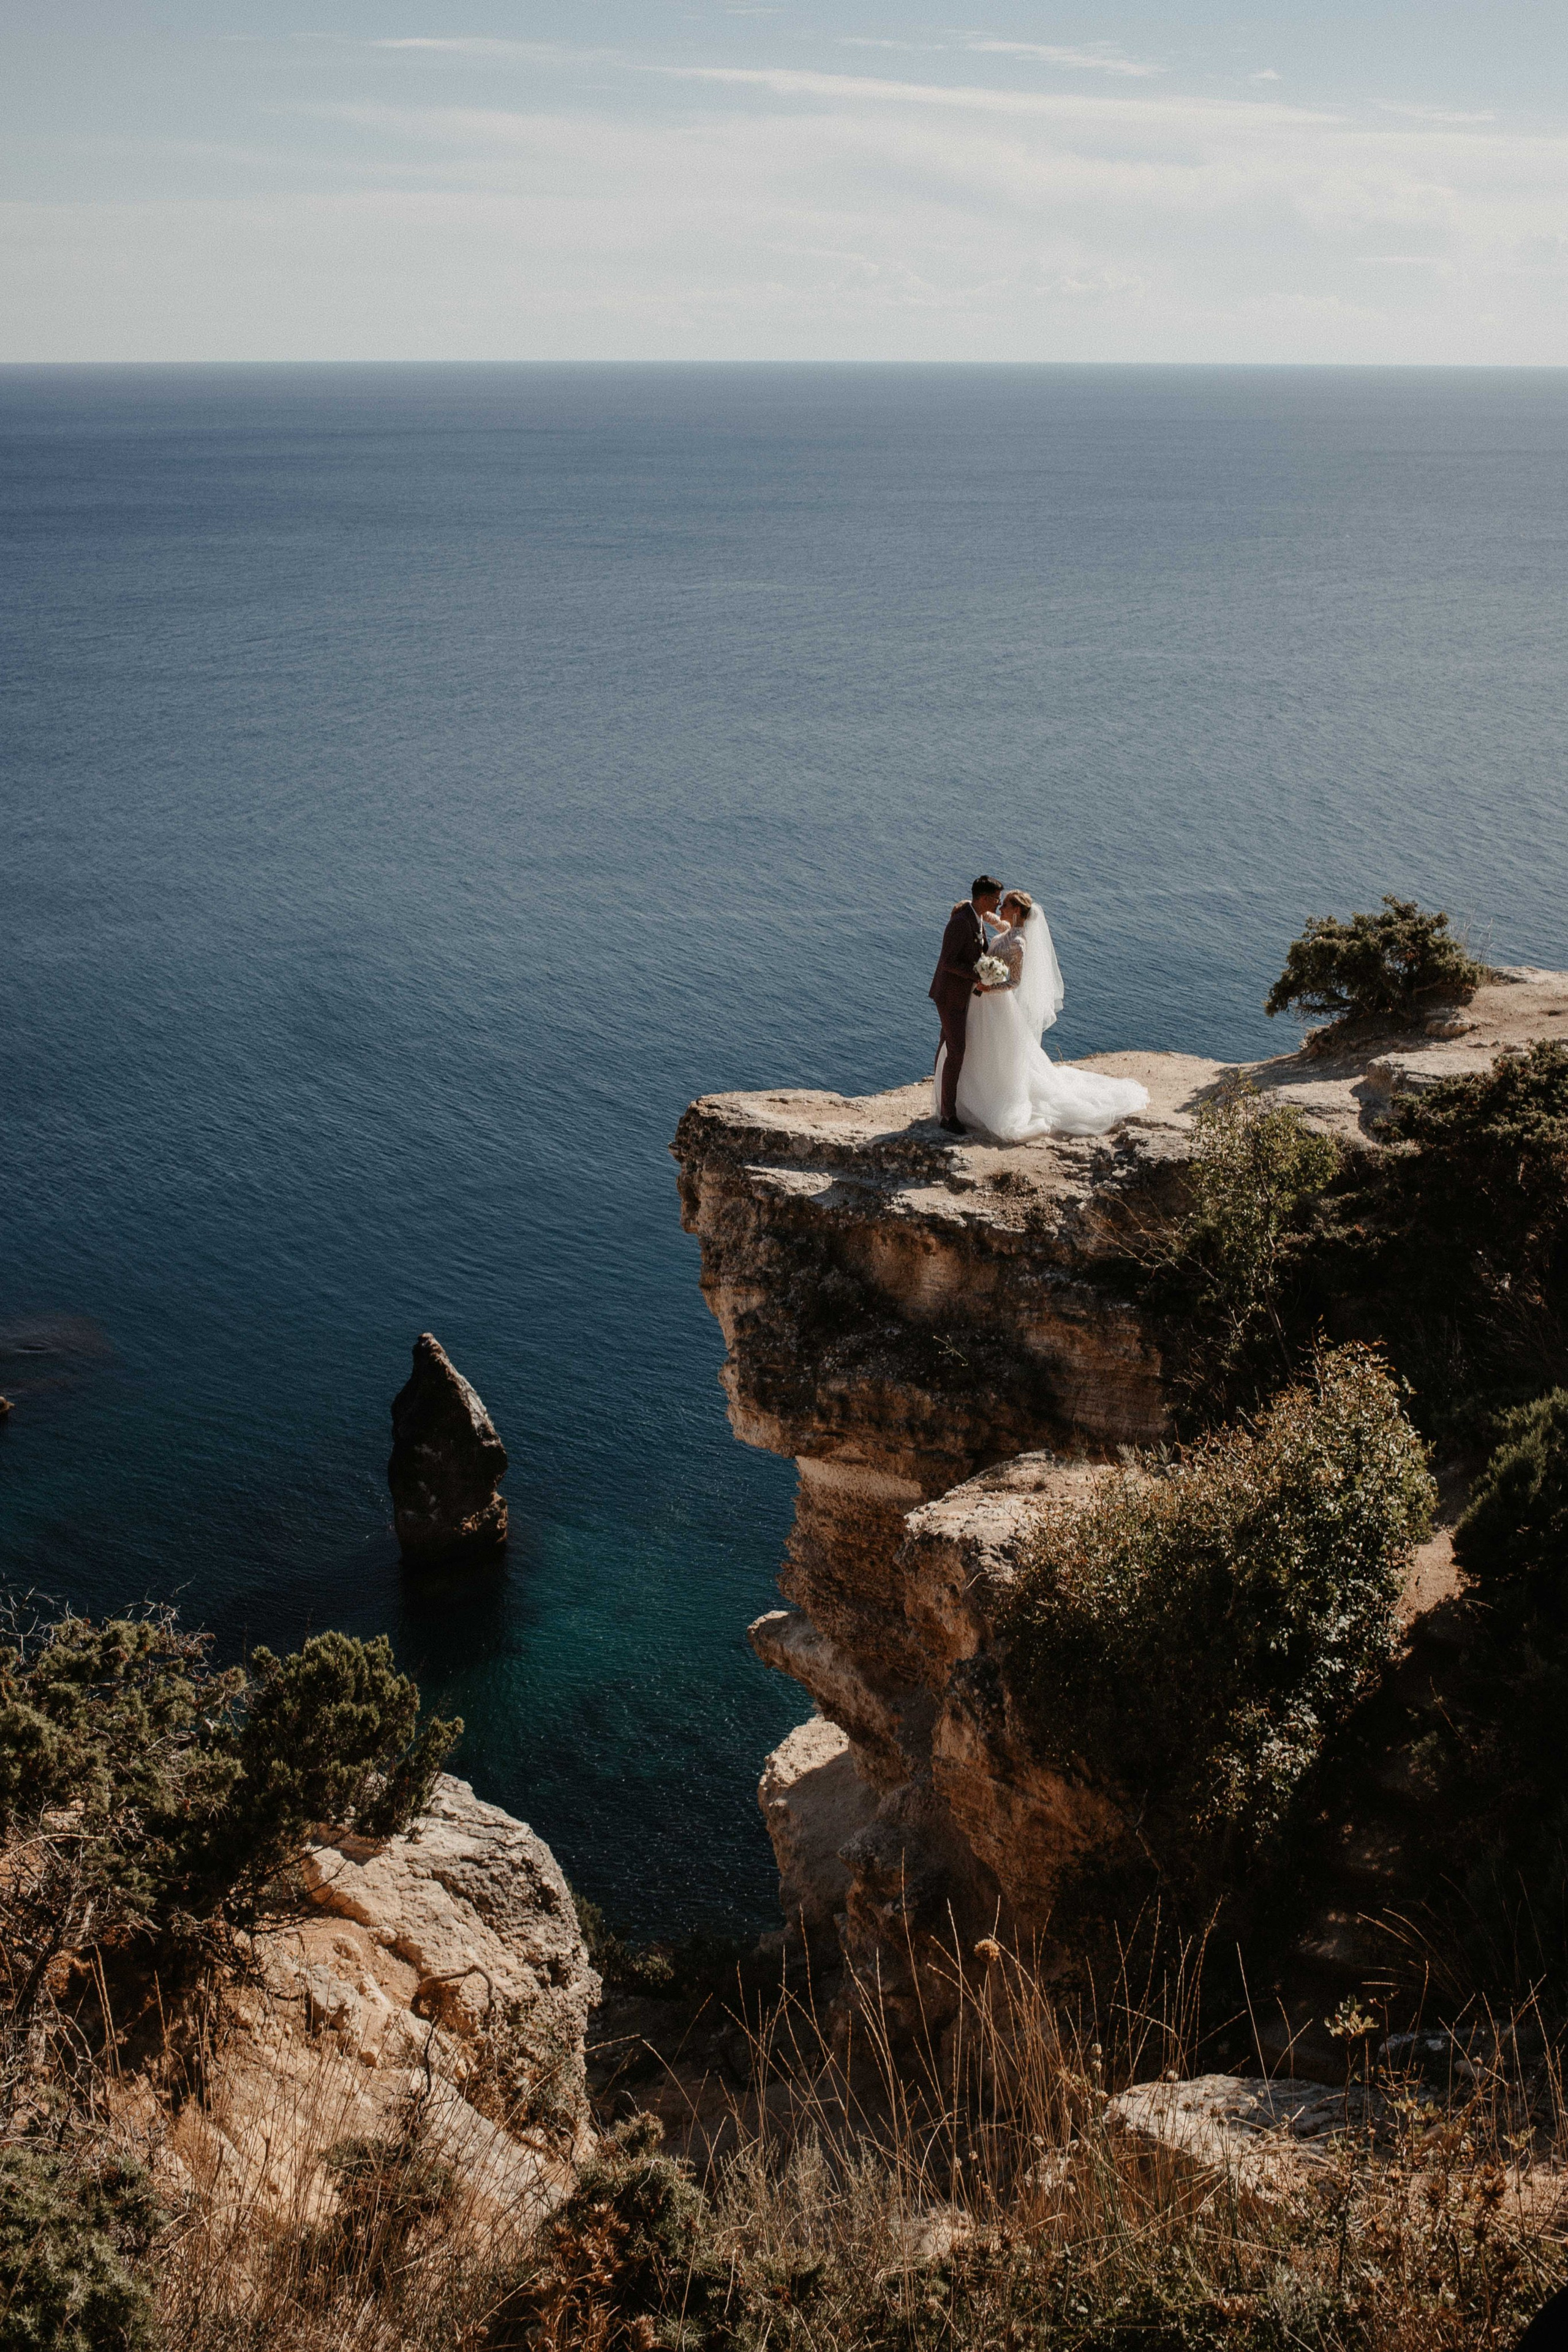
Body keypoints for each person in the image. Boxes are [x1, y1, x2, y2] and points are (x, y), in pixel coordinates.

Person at [933, 888, 1150, 1140]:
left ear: (1017, 911)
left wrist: (989, 986)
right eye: (998, 903)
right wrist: (969, 906)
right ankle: (961, 1103)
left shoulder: (1018, 943)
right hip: (980, 1003)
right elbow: (991, 919)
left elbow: (1014, 982)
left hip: (995, 1002)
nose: (1000, 907)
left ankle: (985, 1103)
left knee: (992, 1053)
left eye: (1005, 905)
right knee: (974, 1049)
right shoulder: (1007, 930)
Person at [928, 874, 1003, 1133]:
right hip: (950, 996)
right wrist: (978, 975)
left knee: (947, 1046)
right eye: (996, 899)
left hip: (961, 995)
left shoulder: (976, 918)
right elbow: (948, 962)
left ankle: (940, 1103)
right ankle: (948, 1116)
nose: (998, 903)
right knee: (957, 1050)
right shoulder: (961, 923)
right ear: (983, 898)